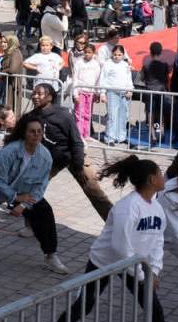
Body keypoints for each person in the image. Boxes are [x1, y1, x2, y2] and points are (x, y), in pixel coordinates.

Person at [53, 156, 166, 322]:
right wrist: (143, 276)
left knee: (155, 310)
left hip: (134, 265)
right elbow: (121, 248)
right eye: (160, 173)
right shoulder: (128, 207)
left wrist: (154, 270)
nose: (163, 177)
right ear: (152, 180)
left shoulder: (157, 208)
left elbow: (158, 241)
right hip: (105, 261)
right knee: (84, 306)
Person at [21, 83, 112, 220]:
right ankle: (31, 222)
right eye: (33, 93)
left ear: (50, 97)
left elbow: (76, 141)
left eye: (39, 94)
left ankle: (114, 222)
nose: (35, 96)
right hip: (50, 160)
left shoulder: (63, 115)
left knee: (95, 192)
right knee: (31, 188)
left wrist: (79, 165)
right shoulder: (30, 117)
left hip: (73, 156)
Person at [0, 117, 69, 274]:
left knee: (44, 211)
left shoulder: (45, 156)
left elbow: (40, 187)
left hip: (24, 193)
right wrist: (14, 197)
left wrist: (23, 205)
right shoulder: (10, 152)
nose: (36, 135)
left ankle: (50, 255)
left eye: (39, 132)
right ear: (24, 133)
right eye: (32, 131)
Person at [98, 44, 134, 146]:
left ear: (123, 55)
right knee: (112, 116)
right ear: (112, 54)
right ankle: (110, 138)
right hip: (112, 93)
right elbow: (103, 79)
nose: (117, 57)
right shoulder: (107, 64)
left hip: (124, 93)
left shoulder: (125, 65)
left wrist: (130, 90)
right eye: (115, 54)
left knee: (123, 116)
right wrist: (102, 93)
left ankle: (121, 137)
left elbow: (128, 78)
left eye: (119, 55)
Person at [72, 43, 100, 140]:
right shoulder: (79, 63)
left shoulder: (96, 64)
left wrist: (97, 93)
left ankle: (86, 134)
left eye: (89, 52)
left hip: (90, 92)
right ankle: (79, 134)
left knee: (88, 114)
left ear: (93, 53)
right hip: (80, 91)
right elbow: (75, 78)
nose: (87, 54)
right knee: (79, 113)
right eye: (86, 52)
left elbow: (97, 79)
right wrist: (75, 94)